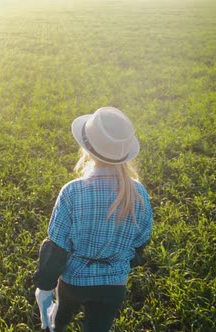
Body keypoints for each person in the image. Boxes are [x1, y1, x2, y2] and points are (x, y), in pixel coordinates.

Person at [32, 107, 153, 332]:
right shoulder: (138, 193)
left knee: (61, 318)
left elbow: (57, 248)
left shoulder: (72, 192)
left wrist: (45, 287)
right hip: (114, 285)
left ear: (87, 149)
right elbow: (141, 243)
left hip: (74, 282)